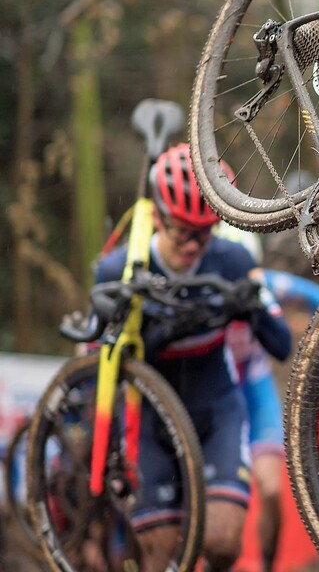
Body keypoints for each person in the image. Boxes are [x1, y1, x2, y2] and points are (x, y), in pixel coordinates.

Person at [92, 143, 291, 572]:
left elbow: (282, 345)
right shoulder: (119, 269)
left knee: (222, 542)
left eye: (205, 232)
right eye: (183, 230)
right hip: (149, 417)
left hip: (216, 408)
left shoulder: (233, 260)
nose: (193, 244)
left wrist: (252, 306)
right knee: (161, 553)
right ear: (159, 216)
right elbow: (95, 363)